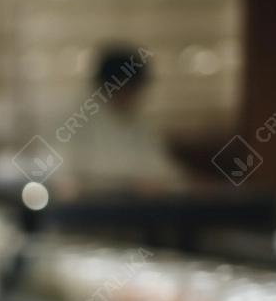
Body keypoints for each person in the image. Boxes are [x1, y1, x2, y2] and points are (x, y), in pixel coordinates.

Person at [52, 48, 188, 196]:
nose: (131, 96)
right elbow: (64, 169)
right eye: (124, 88)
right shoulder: (79, 116)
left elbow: (161, 166)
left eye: (134, 89)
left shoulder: (139, 121)